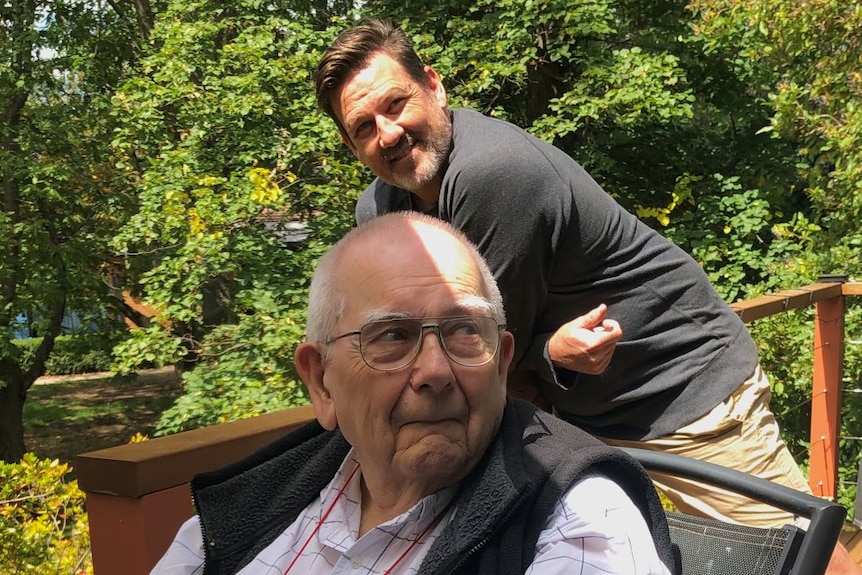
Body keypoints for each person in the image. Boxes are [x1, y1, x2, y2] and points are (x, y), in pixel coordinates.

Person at [313, 18, 861, 574]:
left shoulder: (494, 174)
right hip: (585, 410)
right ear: (351, 144)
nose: (387, 132)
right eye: (363, 126)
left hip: (684, 387)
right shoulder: (383, 213)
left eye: (396, 102)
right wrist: (550, 355)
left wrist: (543, 356)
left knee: (803, 559)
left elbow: (476, 353)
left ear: (433, 85)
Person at [150, 212, 677, 575]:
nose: (435, 370)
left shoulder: (577, 516)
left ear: (502, 366)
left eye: (466, 331)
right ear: (321, 380)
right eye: (392, 336)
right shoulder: (259, 498)